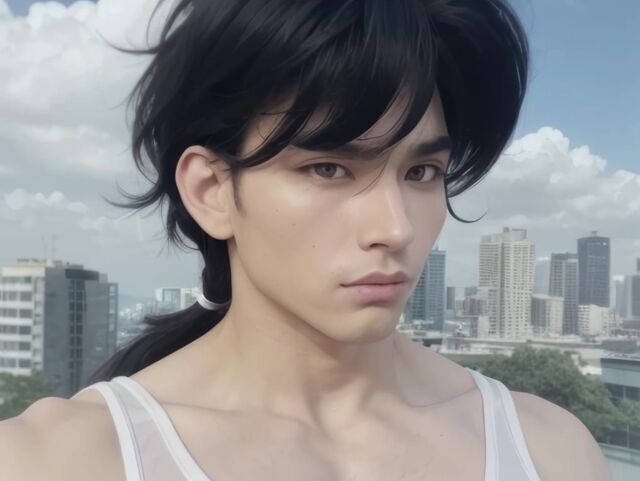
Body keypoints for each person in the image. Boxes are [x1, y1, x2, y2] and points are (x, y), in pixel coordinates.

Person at [1, 0, 612, 480]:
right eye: (328, 168)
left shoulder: (549, 451)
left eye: (422, 172)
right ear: (211, 191)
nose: (395, 228)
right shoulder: (58, 460)